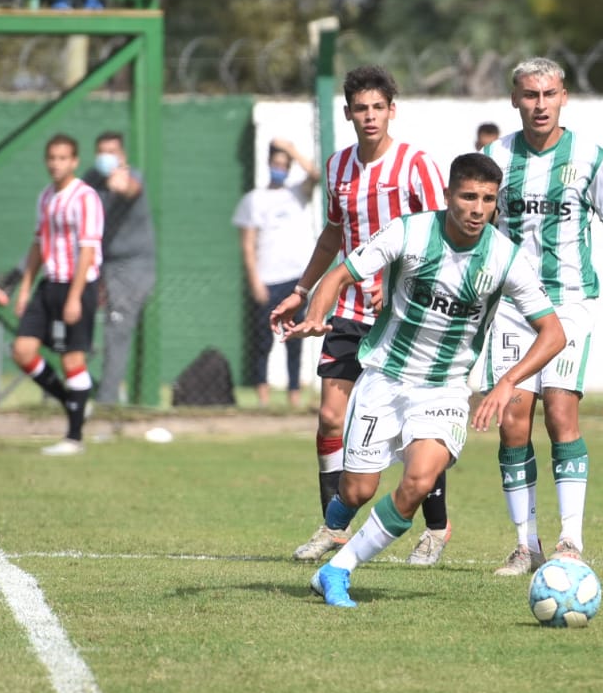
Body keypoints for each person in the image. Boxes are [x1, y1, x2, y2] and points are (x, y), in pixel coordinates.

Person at [281, 152, 566, 608]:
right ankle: (338, 519)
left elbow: (554, 333)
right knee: (358, 490)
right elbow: (340, 274)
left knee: (417, 482)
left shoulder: (504, 258)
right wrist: (316, 312)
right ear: (449, 195)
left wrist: (507, 382)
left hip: (445, 388)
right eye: (469, 196)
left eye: (488, 200)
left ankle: (337, 570)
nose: (477, 209)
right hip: (384, 378)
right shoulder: (408, 232)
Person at [268, 65, 454, 567]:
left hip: (405, 314)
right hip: (348, 311)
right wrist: (302, 289)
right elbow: (333, 235)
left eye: (378, 107)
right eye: (360, 109)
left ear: (392, 110)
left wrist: (403, 286)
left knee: (417, 424)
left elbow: (440, 235)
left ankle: (437, 527)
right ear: (348, 113)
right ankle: (334, 526)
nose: (370, 117)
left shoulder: (416, 166)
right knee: (330, 416)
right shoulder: (336, 168)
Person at [483, 56, 603, 575]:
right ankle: (524, 544)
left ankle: (569, 541)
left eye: (548, 94)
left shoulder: (592, 159)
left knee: (559, 414)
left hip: (570, 303)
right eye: (529, 95)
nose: (539, 104)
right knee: (513, 421)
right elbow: (475, 231)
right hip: (512, 306)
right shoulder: (495, 158)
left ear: (564, 97)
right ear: (514, 99)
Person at [11, 133, 104, 455]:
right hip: (48, 283)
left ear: (75, 161)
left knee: (72, 359)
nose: (56, 164)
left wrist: (76, 296)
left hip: (77, 285)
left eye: (63, 158)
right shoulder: (45, 197)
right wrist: (24, 288)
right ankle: (72, 401)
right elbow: (38, 244)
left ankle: (73, 438)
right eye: (51, 157)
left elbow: (88, 250)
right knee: (22, 350)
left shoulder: (85, 197)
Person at [232, 138, 319, 408]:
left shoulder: (296, 193)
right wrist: (255, 281)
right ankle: (263, 396)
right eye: (275, 163)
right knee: (263, 340)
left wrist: (292, 148)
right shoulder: (254, 200)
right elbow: (247, 245)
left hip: (295, 279)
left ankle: (294, 395)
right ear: (268, 164)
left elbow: (315, 175)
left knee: (294, 339)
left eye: (284, 164)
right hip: (267, 280)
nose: (279, 168)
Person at [81, 131, 155, 407]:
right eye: (101, 151)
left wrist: (121, 185)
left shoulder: (131, 176)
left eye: (111, 151)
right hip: (100, 264)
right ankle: (79, 391)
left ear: (122, 155)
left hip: (132, 266)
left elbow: (131, 187)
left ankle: (107, 403)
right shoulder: (91, 179)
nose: (105, 157)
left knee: (117, 328)